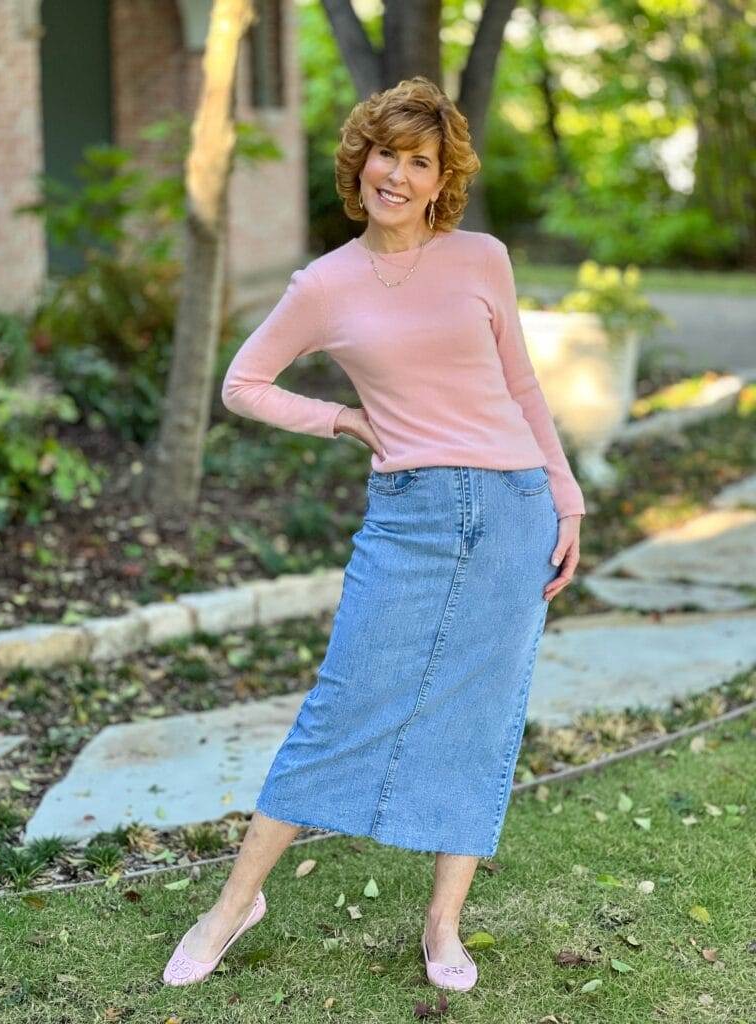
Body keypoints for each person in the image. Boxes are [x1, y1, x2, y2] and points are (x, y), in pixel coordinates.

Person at [163, 74, 585, 992]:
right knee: (341, 701)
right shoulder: (325, 284)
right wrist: (342, 420)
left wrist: (567, 497)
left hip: (516, 506)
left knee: (482, 713)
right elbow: (243, 383)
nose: (398, 173)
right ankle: (235, 903)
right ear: (362, 164)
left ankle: (442, 925)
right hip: (411, 516)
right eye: (385, 154)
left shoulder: (482, 259)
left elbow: (521, 387)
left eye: (419, 160)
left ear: (443, 177)